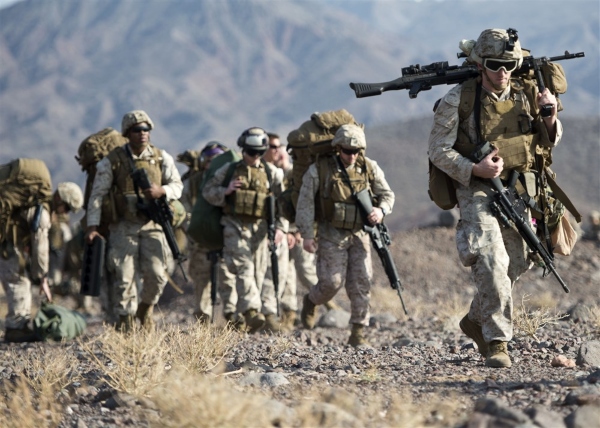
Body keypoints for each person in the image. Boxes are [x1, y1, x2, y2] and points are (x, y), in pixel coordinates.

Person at [428, 29, 563, 368]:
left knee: (517, 262)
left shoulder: (528, 93)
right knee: (491, 262)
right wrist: (474, 168)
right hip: (476, 188)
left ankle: (475, 320)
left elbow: (548, 142)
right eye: (494, 64)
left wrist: (549, 116)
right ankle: (497, 341)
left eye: (508, 65)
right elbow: (438, 150)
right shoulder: (458, 99)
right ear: (479, 64)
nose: (502, 72)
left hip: (520, 188)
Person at [297, 124, 395, 347]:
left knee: (361, 281)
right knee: (331, 283)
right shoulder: (319, 171)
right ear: (337, 148)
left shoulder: (369, 168)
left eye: (356, 151)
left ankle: (357, 332)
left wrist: (380, 210)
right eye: (347, 151)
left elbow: (387, 194)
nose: (352, 156)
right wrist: (307, 234)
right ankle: (311, 300)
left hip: (360, 233)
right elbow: (305, 204)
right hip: (331, 233)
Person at [85, 110, 183, 332]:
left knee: (158, 273)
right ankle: (125, 321)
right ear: (127, 133)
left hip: (152, 225)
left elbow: (177, 186)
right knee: (124, 274)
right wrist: (92, 226)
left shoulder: (160, 157)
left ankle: (145, 309)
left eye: (146, 130)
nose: (143, 134)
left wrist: (162, 191)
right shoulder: (113, 161)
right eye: (137, 130)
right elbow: (97, 195)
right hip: (124, 225)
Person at [202, 127, 288, 333]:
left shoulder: (272, 173)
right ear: (243, 150)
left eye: (259, 153)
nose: (254, 157)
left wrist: (281, 228)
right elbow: (208, 192)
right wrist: (226, 190)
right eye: (251, 152)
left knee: (257, 272)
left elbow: (282, 204)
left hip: (259, 229)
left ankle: (250, 317)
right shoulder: (229, 171)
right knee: (244, 268)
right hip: (234, 225)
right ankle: (250, 311)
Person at [1, 169, 82, 342]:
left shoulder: (39, 206)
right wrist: (43, 277)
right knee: (18, 281)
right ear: (59, 198)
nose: (65, 213)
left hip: (11, 244)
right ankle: (16, 328)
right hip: (8, 246)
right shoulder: (43, 214)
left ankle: (19, 325)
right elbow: (41, 247)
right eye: (66, 207)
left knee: (19, 280)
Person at [177, 141, 238, 324]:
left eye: (217, 159)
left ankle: (232, 316)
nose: (213, 163)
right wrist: (195, 230)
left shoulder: (230, 180)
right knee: (201, 281)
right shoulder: (193, 183)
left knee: (228, 278)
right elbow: (182, 210)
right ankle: (202, 320)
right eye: (209, 160)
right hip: (199, 241)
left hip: (224, 239)